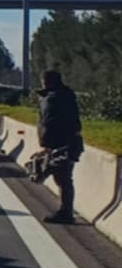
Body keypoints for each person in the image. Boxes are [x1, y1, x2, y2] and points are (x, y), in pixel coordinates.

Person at [38, 67, 85, 224]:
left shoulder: (56, 98)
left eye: (44, 81)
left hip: (64, 144)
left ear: (48, 82)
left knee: (63, 178)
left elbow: (51, 123)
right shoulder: (58, 96)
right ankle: (66, 211)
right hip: (60, 144)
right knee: (62, 178)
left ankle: (66, 213)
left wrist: (49, 144)